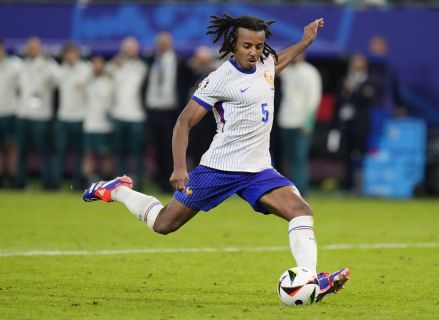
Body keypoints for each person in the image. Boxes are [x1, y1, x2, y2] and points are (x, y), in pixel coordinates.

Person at [83, 14, 350, 301]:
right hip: (218, 169)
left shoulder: (265, 65)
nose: (254, 52)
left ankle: (311, 279)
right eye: (248, 45)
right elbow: (183, 122)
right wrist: (179, 167)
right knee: (164, 224)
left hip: (259, 171)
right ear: (234, 44)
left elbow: (278, 61)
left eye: (259, 46)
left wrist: (306, 40)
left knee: (300, 212)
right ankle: (119, 190)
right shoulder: (220, 79)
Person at [16, 37, 59, 189]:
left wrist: (49, 63)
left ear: (40, 48)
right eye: (30, 47)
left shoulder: (48, 64)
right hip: (23, 114)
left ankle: (48, 183)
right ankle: (20, 183)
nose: (32, 50)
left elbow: (58, 80)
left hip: (41, 116)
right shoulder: (21, 64)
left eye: (35, 47)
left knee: (45, 152)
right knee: (21, 152)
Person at [278, 54, 322, 195]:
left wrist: (308, 123)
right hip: (284, 120)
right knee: (288, 158)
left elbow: (314, 99)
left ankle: (301, 190)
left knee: (299, 158)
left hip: (301, 122)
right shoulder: (284, 72)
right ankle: (290, 189)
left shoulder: (310, 72)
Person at [145, 32, 182, 192]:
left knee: (170, 149)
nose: (162, 45)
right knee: (157, 148)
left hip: (170, 112)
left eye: (165, 42)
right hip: (154, 111)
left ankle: (170, 183)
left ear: (171, 44)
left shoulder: (178, 62)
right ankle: (160, 182)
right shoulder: (151, 61)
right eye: (160, 42)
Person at [108, 37, 147, 188]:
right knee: (119, 151)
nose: (130, 50)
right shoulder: (115, 66)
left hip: (137, 115)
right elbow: (104, 71)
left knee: (137, 152)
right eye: (127, 47)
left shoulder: (143, 67)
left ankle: (139, 183)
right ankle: (120, 183)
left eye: (133, 47)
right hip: (119, 114)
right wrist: (116, 61)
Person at [54, 42, 91, 189]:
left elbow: (84, 84)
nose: (70, 56)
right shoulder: (60, 70)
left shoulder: (85, 68)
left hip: (80, 117)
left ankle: (77, 183)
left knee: (79, 153)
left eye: (72, 53)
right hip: (64, 117)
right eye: (67, 54)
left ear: (77, 54)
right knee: (60, 152)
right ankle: (56, 183)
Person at [335, 53, 375, 191]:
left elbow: (367, 99)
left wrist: (352, 92)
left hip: (361, 124)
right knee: (346, 155)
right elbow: (339, 100)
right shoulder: (345, 79)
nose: (356, 64)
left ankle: (361, 186)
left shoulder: (370, 80)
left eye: (359, 61)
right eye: (354, 61)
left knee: (361, 154)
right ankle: (347, 186)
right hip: (346, 123)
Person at [82, 55, 114, 183]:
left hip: (105, 125)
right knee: (88, 154)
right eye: (94, 64)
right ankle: (86, 182)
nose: (97, 66)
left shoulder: (110, 82)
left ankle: (107, 183)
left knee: (107, 155)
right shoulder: (86, 81)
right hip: (89, 124)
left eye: (99, 63)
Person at [184, 46, 217, 168]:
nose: (201, 63)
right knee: (194, 149)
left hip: (207, 120)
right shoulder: (191, 74)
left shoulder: (214, 75)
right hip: (192, 119)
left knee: (206, 148)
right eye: (199, 60)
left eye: (204, 60)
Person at [0, 40, 22, 188]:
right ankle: (2, 179)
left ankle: (13, 178)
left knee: (12, 149)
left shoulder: (15, 65)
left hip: (11, 113)